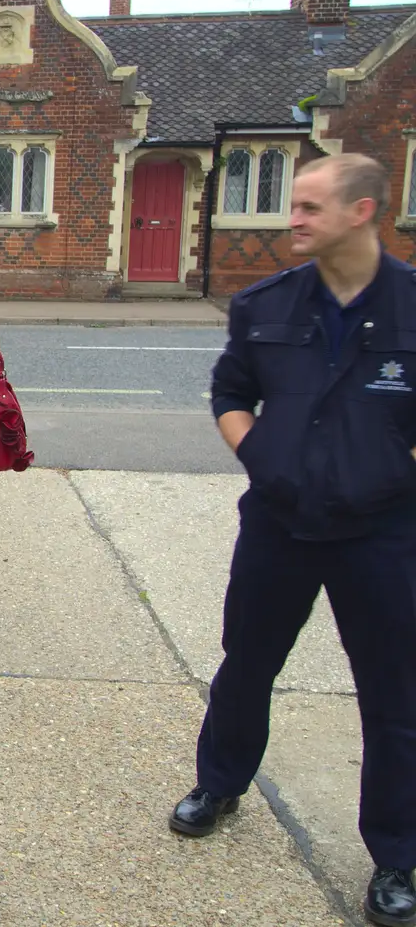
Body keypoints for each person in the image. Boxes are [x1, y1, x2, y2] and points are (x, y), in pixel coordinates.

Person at [170, 153, 416, 927]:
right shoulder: (265, 304)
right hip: (278, 523)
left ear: (363, 211)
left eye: (310, 206)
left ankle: (398, 856)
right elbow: (231, 391)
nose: (293, 219)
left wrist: (388, 472)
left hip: (382, 532)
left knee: (394, 693)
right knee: (247, 663)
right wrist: (261, 457)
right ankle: (221, 783)